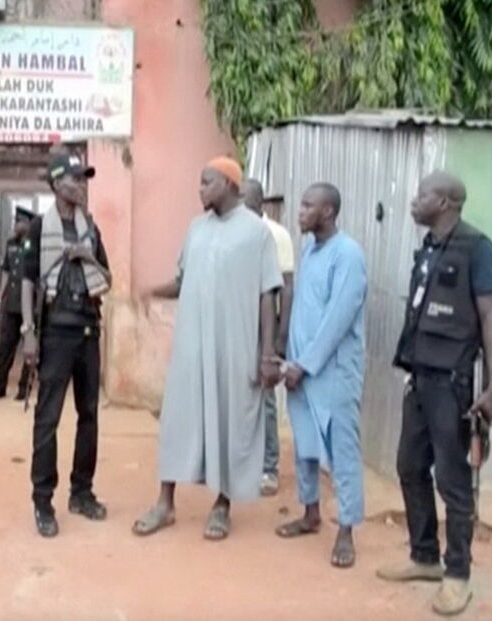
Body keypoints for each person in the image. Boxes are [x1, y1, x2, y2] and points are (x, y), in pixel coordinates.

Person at [132, 157, 282, 540]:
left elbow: (269, 295)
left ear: (230, 185)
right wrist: (153, 290)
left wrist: (267, 355)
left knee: (230, 421)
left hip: (234, 346)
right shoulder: (196, 228)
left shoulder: (256, 233)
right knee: (177, 419)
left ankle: (222, 505)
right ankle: (165, 502)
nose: (199, 189)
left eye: (206, 182)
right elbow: (184, 281)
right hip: (191, 346)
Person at [377, 171, 492, 616]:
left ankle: (457, 575)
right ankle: (425, 556)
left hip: (454, 384)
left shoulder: (478, 248)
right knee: (409, 466)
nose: (414, 201)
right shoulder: (430, 248)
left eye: (423, 195)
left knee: (453, 480)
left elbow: (491, 321)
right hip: (420, 378)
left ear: (447, 202)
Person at [275, 183, 367, 569]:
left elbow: (337, 320)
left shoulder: (348, 254)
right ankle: (310, 513)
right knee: (306, 445)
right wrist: (287, 359)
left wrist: (305, 364)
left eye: (308, 205)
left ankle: (346, 530)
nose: (300, 211)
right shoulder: (311, 249)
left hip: (332, 371)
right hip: (300, 369)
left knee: (342, 448)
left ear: (328, 211)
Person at [21, 152, 112, 538]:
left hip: (88, 330)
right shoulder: (40, 229)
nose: (82, 184)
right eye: (76, 178)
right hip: (55, 331)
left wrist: (86, 254)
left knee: (88, 415)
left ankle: (82, 491)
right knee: (48, 418)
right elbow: (27, 280)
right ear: (57, 184)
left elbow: (108, 276)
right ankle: (43, 501)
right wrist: (28, 331)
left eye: (84, 178)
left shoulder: (91, 228)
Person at [243, 179, 295, 496]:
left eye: (245, 200)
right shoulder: (234, 232)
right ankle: (244, 463)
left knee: (265, 397)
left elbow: (286, 288)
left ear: (259, 203)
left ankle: (269, 467)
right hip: (238, 324)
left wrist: (279, 339)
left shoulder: (276, 235)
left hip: (266, 326)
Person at [0, 205, 36, 401]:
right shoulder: (11, 244)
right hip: (11, 304)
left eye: (18, 221)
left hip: (29, 305)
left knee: (29, 348)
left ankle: (24, 388)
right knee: (5, 346)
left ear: (27, 224)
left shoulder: (35, 245)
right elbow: (6, 272)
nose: (14, 225)